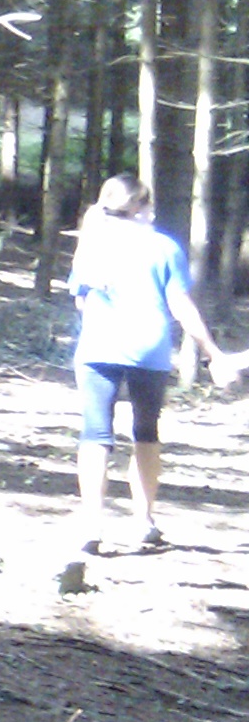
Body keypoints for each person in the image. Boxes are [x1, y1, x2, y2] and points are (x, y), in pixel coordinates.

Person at [65, 174, 241, 552]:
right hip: (149, 350)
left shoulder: (91, 245)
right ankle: (143, 520)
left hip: (97, 349)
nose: (153, 212)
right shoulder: (164, 247)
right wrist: (213, 353)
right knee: (145, 432)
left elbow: (80, 301)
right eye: (149, 205)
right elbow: (181, 306)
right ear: (138, 208)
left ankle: (92, 526)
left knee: (95, 434)